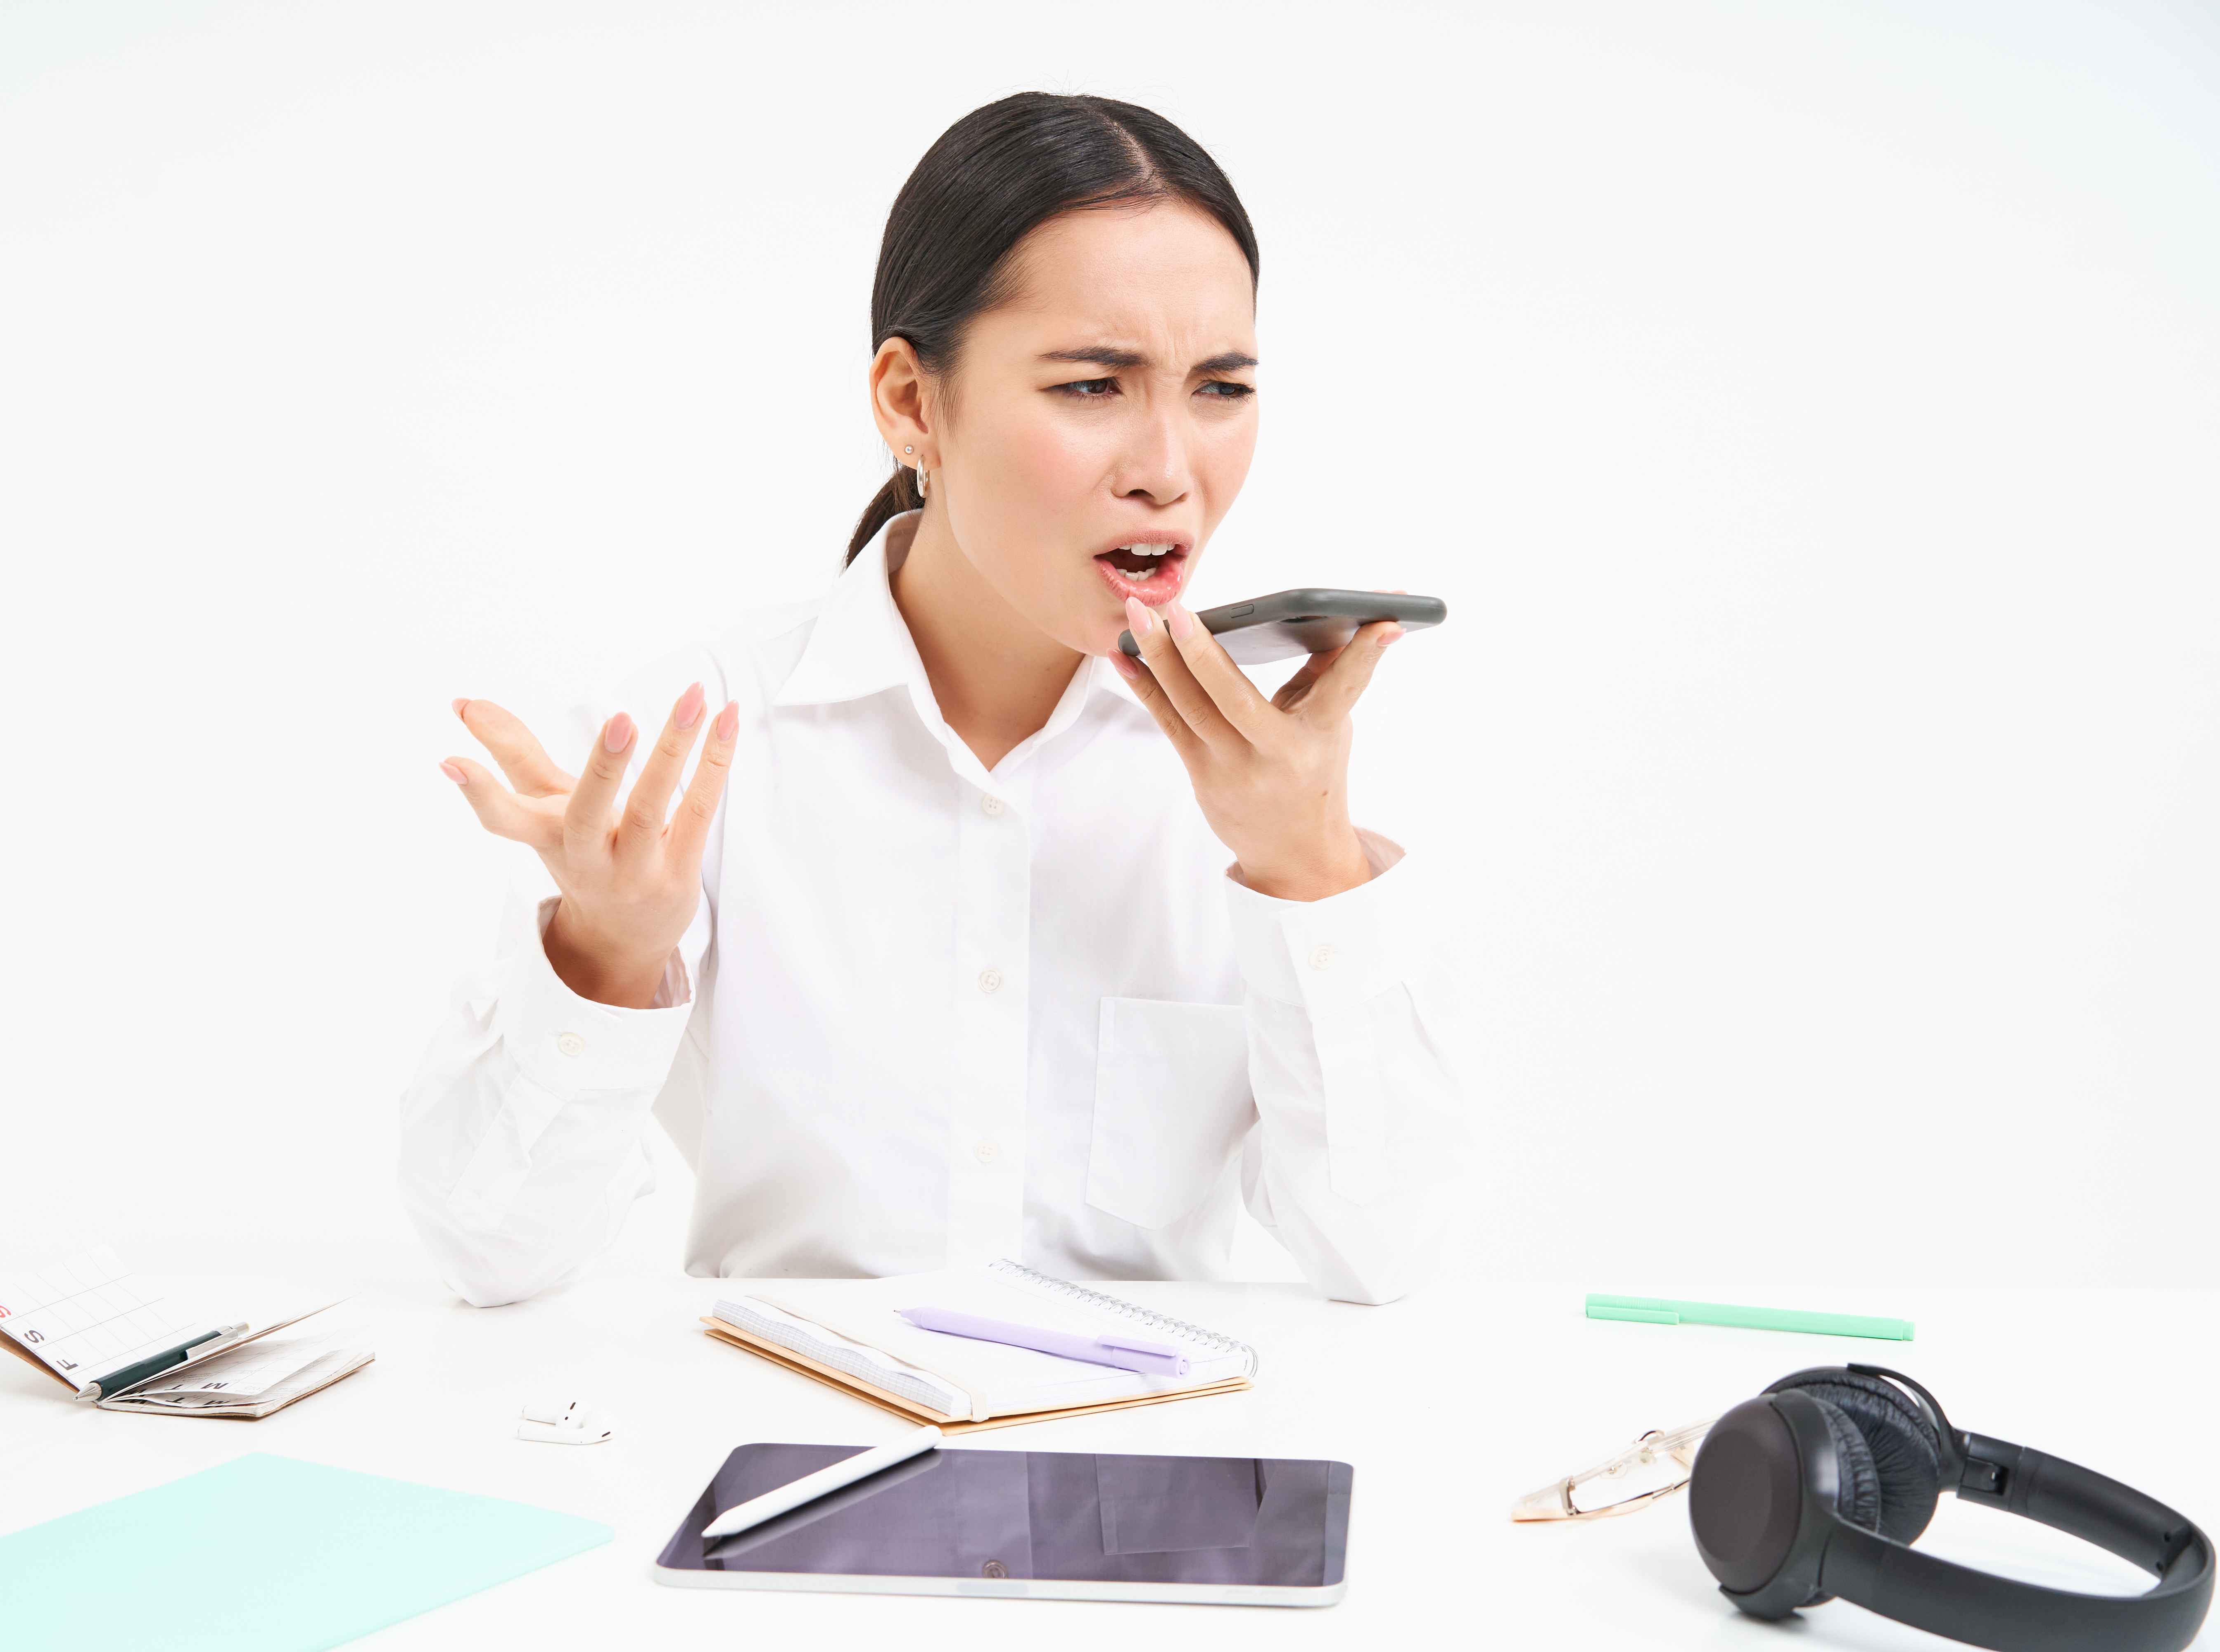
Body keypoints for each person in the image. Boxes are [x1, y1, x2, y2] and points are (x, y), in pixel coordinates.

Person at [399, 90, 1467, 1310]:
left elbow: (1383, 1256)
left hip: (1137, 1475)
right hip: (785, 1459)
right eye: (1091, 387)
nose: (1170, 470)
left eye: (1220, 388)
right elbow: (492, 1255)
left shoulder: (1292, 768)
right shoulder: (695, 743)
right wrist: (605, 953)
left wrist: (1309, 871)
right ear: (913, 401)